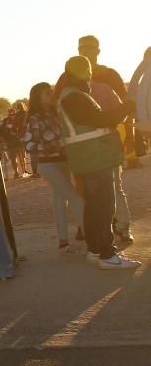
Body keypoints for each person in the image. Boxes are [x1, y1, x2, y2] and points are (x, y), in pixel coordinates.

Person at [58, 56, 139, 269]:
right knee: (103, 207)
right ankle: (107, 254)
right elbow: (101, 119)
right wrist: (127, 107)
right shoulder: (76, 96)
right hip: (95, 158)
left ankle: (95, 250)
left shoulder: (70, 94)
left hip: (88, 159)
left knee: (94, 207)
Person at [25, 82, 86, 253]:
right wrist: (54, 146)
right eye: (47, 93)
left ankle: (63, 241)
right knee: (76, 198)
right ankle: (92, 240)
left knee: (60, 199)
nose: (51, 95)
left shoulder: (56, 113)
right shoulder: (35, 118)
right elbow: (29, 144)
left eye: (51, 92)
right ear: (38, 98)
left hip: (63, 162)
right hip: (49, 164)